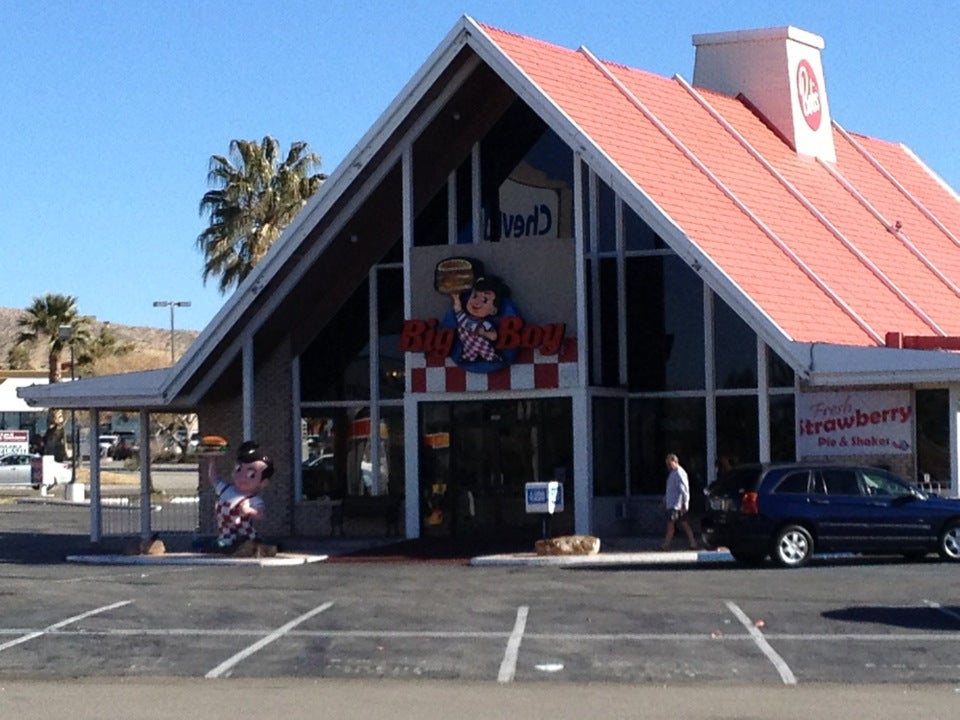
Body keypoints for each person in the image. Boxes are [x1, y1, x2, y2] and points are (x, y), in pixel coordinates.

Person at [206, 440, 275, 555]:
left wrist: (249, 510)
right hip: (225, 533)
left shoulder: (253, 499)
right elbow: (213, 478)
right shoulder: (226, 490)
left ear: (263, 482)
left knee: (246, 545)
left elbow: (260, 514)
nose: (242, 477)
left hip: (245, 534)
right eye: (238, 469)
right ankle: (225, 546)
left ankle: (253, 548)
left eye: (251, 475)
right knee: (220, 546)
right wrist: (213, 461)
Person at [661, 453, 698, 551]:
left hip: (676, 504)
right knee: (684, 523)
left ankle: (666, 545)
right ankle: (692, 542)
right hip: (672, 503)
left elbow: (684, 489)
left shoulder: (680, 473)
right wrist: (665, 500)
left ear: (675, 462)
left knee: (671, 525)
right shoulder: (672, 474)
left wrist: (685, 503)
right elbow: (670, 490)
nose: (668, 466)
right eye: (667, 464)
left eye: (670, 464)